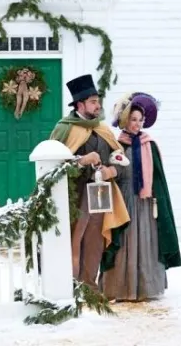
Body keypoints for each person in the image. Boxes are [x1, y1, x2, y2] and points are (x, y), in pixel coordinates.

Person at [49, 74, 130, 290]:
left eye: (98, 101)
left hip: (101, 195)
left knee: (95, 241)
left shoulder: (103, 129)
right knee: (74, 240)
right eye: (93, 102)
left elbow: (121, 160)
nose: (98, 106)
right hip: (74, 196)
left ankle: (89, 287)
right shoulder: (65, 129)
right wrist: (81, 160)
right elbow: (52, 163)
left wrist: (111, 170)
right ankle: (70, 287)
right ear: (80, 104)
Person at [100, 92, 181, 302]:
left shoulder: (149, 144)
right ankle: (121, 287)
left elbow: (157, 177)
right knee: (124, 238)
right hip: (124, 199)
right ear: (125, 120)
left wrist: (156, 197)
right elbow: (116, 170)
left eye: (140, 120)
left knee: (146, 240)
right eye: (133, 119)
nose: (137, 124)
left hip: (145, 202)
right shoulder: (118, 145)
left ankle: (145, 287)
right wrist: (109, 172)